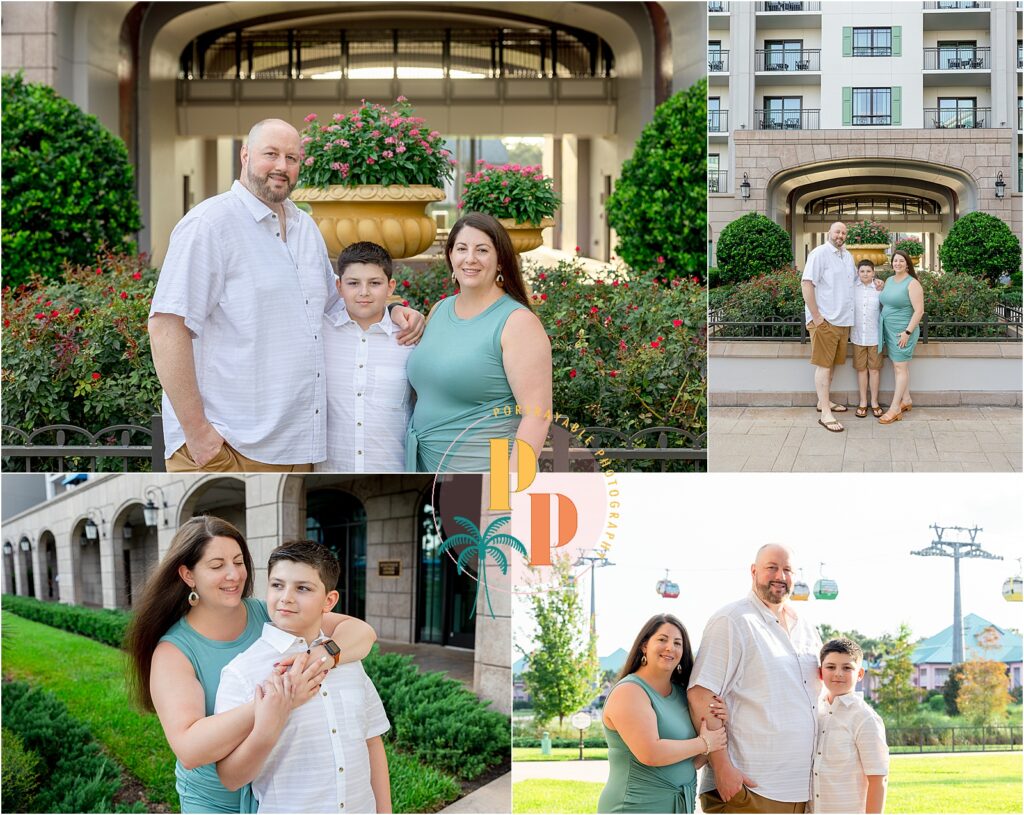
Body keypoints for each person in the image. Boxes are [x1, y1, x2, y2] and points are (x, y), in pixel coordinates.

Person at [149, 118, 424, 473]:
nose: (282, 166)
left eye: (292, 158)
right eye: (271, 154)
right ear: (245, 155)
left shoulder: (304, 227)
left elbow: (335, 304)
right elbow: (166, 327)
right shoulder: (210, 224)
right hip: (228, 446)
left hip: (298, 448)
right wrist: (197, 433)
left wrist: (394, 308)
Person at [124, 515, 377, 813]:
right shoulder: (174, 651)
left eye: (239, 561)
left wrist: (323, 654)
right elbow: (189, 749)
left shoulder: (267, 612)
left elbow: (361, 632)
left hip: (274, 793)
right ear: (188, 575)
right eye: (217, 566)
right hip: (217, 802)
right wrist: (279, 699)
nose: (234, 575)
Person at [215, 541, 391, 814]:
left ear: (329, 601)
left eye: (303, 588)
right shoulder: (241, 673)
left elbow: (371, 741)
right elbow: (230, 778)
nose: (286, 597)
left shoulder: (348, 660)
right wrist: (269, 723)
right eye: (277, 585)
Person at [405, 212, 552, 473]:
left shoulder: (517, 322)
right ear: (450, 255)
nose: (470, 258)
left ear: (499, 262)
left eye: (482, 250)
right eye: (462, 248)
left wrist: (509, 487)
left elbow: (537, 417)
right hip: (424, 468)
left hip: (486, 473)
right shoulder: (439, 310)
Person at [687, 544, 822, 814]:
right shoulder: (732, 620)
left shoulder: (807, 628)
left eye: (787, 570)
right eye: (772, 567)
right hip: (748, 790)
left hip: (801, 792)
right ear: (753, 571)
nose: (780, 576)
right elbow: (701, 694)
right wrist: (723, 767)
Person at [598, 614, 729, 814]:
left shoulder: (682, 693)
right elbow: (651, 753)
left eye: (678, 643)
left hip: (678, 807)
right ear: (644, 646)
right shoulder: (630, 691)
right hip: (635, 807)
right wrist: (705, 742)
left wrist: (720, 720)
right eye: (662, 639)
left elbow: (692, 761)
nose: (670, 647)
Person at [317, 241, 413, 472]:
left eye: (374, 283)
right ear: (339, 287)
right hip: (331, 469)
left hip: (393, 468)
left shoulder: (410, 339)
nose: (364, 292)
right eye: (353, 283)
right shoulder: (319, 334)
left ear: (390, 287)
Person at [813, 638, 889, 814]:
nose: (838, 673)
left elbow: (879, 779)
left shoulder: (865, 718)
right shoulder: (816, 711)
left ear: (860, 674)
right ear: (820, 672)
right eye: (831, 667)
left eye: (847, 668)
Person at [801, 222, 857, 433]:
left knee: (831, 366)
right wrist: (816, 317)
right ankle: (825, 413)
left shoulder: (847, 256)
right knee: (824, 366)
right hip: (825, 320)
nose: (840, 235)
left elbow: (853, 282)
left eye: (843, 232)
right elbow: (807, 284)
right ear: (829, 233)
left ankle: (822, 402)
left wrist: (876, 283)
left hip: (842, 321)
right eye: (837, 231)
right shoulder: (819, 254)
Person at [877, 250, 924, 425]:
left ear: (907, 264)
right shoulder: (889, 280)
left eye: (901, 261)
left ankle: (895, 408)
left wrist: (907, 333)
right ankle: (907, 399)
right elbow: (886, 297)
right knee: (899, 366)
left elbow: (919, 311)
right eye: (895, 261)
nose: (897, 264)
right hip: (888, 330)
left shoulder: (912, 284)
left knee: (900, 367)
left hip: (903, 332)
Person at [850, 259, 885, 419]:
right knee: (861, 370)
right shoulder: (852, 288)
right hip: (857, 336)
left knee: (875, 370)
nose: (865, 274)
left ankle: (875, 402)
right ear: (858, 272)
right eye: (862, 271)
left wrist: (882, 284)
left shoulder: (879, 288)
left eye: (868, 271)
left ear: (874, 272)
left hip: (874, 337)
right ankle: (863, 402)